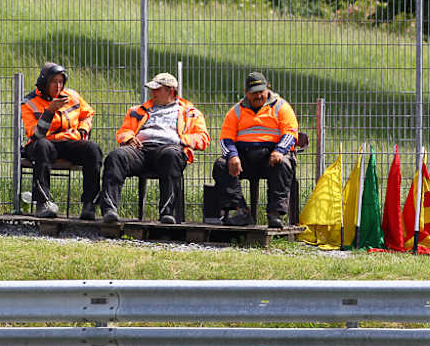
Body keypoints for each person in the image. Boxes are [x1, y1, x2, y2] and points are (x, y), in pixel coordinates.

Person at [101, 72, 210, 224]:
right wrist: (129, 138)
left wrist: (181, 140)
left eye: (157, 89)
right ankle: (109, 210)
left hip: (169, 149)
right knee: (116, 156)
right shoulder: (138, 110)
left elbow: (203, 138)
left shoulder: (190, 113)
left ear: (171, 91)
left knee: (171, 155)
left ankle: (167, 213)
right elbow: (123, 131)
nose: (152, 93)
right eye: (152, 89)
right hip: (140, 150)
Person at [210, 71, 299, 228]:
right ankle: (241, 211)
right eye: (253, 93)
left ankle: (275, 214)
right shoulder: (235, 111)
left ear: (268, 88)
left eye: (261, 92)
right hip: (245, 157)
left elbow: (291, 133)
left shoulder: (282, 107)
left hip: (272, 156)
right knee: (221, 165)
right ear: (246, 93)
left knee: (284, 163)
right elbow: (225, 139)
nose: (258, 96)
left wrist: (279, 150)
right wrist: (232, 156)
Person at [20, 62, 103, 219]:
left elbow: (87, 114)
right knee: (42, 146)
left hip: (69, 141)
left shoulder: (72, 95)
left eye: (61, 81)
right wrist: (49, 111)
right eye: (53, 81)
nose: (58, 86)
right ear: (44, 83)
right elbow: (36, 135)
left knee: (92, 148)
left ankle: (89, 205)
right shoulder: (28, 103)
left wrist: (82, 132)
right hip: (42, 144)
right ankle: (42, 204)